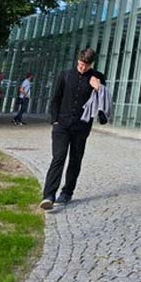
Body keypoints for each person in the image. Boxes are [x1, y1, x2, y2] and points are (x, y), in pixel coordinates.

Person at [39, 48, 106, 210]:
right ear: (78, 60)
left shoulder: (97, 77)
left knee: (75, 159)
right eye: (81, 64)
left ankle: (67, 192)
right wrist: (55, 121)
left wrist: (98, 88)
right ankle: (49, 195)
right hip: (61, 125)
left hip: (82, 126)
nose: (82, 67)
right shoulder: (65, 75)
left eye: (86, 65)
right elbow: (55, 99)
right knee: (58, 158)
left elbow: (103, 103)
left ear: (92, 64)